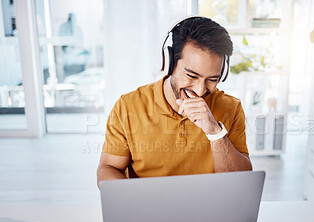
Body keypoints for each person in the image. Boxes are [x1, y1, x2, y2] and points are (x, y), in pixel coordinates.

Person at [97, 16, 252, 185]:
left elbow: (240, 182)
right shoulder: (128, 106)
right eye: (192, 75)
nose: (200, 90)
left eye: (212, 79)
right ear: (168, 63)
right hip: (148, 209)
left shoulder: (231, 107)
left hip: (209, 210)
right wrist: (136, 203)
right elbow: (108, 169)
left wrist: (215, 132)